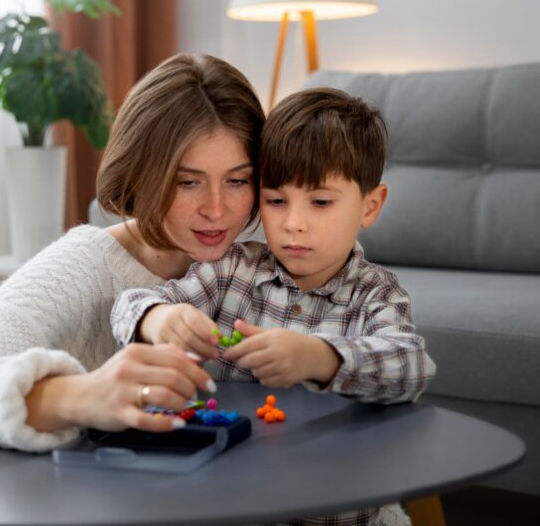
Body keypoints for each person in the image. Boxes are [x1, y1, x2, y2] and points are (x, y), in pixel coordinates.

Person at [0, 53, 264, 465]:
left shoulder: (258, 267)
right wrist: (75, 395)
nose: (216, 210)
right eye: (187, 182)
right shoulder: (84, 264)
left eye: (237, 180)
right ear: (139, 173)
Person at [111, 87, 437, 526]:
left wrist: (320, 357)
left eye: (320, 202)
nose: (293, 223)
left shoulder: (376, 294)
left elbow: (412, 366)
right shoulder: (232, 270)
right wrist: (159, 317)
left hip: (337, 509)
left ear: (370, 206)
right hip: (235, 502)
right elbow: (130, 303)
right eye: (276, 200)